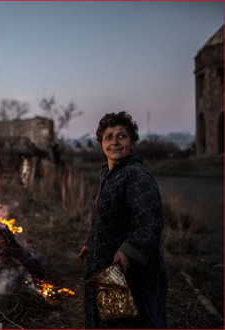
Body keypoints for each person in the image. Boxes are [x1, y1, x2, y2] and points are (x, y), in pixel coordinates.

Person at [79, 111, 167, 328]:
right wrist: (91, 243)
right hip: (107, 270)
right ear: (101, 144)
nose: (114, 142)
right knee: (109, 320)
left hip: (128, 272)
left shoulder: (136, 175)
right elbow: (105, 218)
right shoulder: (109, 174)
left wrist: (129, 252)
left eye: (122, 136)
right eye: (108, 137)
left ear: (133, 143)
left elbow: (150, 222)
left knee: (127, 323)